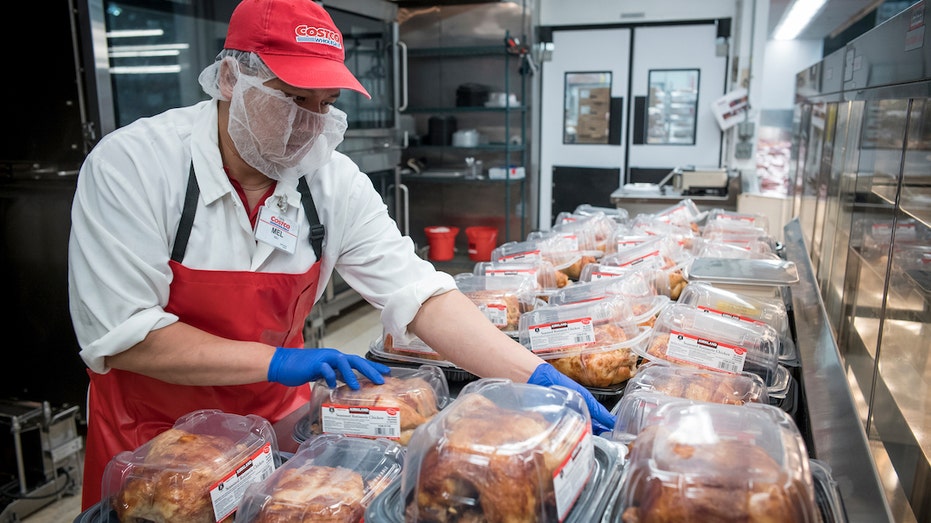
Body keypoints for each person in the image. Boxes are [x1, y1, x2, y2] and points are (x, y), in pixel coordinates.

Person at [68, 0, 615, 510]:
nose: (309, 123)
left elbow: (419, 295)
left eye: (325, 104)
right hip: (153, 449)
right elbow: (125, 335)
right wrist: (279, 361)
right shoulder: (134, 166)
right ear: (232, 78)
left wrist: (536, 375)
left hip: (276, 436)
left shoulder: (330, 181)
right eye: (292, 98)